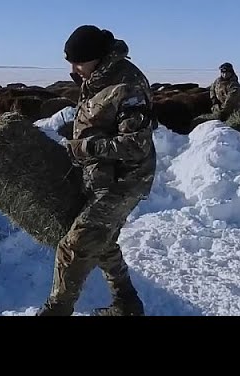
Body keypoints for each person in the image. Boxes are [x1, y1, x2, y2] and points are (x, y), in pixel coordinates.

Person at [36, 25, 156, 317]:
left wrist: (84, 148)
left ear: (96, 56)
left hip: (125, 179)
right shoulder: (96, 78)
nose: (74, 69)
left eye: (78, 62)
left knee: (74, 245)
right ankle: (127, 304)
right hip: (101, 177)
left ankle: (56, 312)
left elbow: (136, 145)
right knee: (102, 242)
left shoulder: (127, 85)